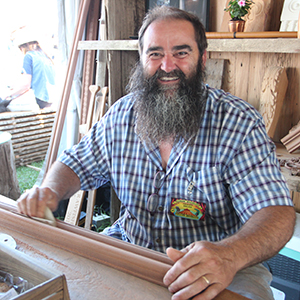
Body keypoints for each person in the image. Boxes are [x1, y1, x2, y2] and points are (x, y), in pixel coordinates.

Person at [16, 6, 295, 300]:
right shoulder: (122, 115)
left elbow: (276, 213)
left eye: (181, 53)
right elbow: (75, 163)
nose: (167, 66)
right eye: (155, 54)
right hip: (131, 248)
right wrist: (49, 190)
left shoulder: (237, 123)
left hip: (223, 267)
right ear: (142, 60)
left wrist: (230, 254)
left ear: (203, 59)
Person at [5, 28, 55, 109]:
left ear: (23, 46)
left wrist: (8, 95)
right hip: (53, 99)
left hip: (42, 100)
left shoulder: (29, 56)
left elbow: (26, 85)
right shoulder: (45, 55)